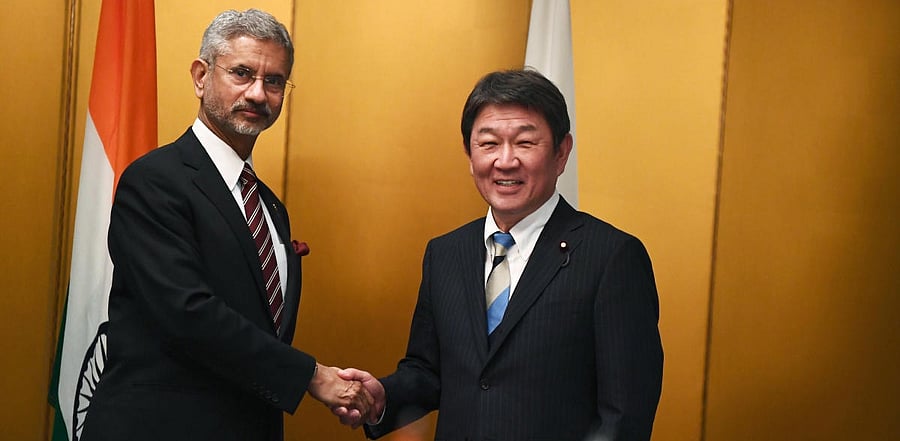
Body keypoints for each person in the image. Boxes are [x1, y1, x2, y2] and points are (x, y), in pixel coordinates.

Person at [80, 9, 371, 441]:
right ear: (201, 76)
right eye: (242, 73)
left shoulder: (270, 207)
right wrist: (313, 376)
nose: (258, 93)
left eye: (274, 81)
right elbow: (188, 313)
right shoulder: (154, 181)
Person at [335, 69, 664, 440]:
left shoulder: (612, 258)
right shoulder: (445, 253)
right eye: (489, 144)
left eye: (525, 143)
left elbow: (624, 416)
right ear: (469, 152)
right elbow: (429, 372)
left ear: (561, 152)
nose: (505, 161)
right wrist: (383, 398)